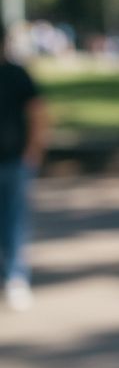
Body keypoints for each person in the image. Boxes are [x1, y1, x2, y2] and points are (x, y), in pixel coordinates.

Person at [0, 19, 47, 311]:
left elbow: (38, 113)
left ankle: (16, 277)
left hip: (14, 160)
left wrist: (33, 150)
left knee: (15, 223)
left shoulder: (17, 75)